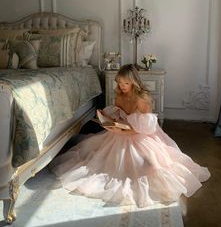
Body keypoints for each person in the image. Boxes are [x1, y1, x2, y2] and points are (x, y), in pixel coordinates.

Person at [50, 64, 210, 207]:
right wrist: (108, 120)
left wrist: (123, 131)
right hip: (121, 131)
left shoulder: (142, 99)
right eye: (120, 82)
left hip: (140, 134)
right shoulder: (119, 95)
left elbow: (145, 128)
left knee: (148, 165)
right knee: (96, 157)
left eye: (126, 83)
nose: (122, 86)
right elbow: (119, 114)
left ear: (134, 82)